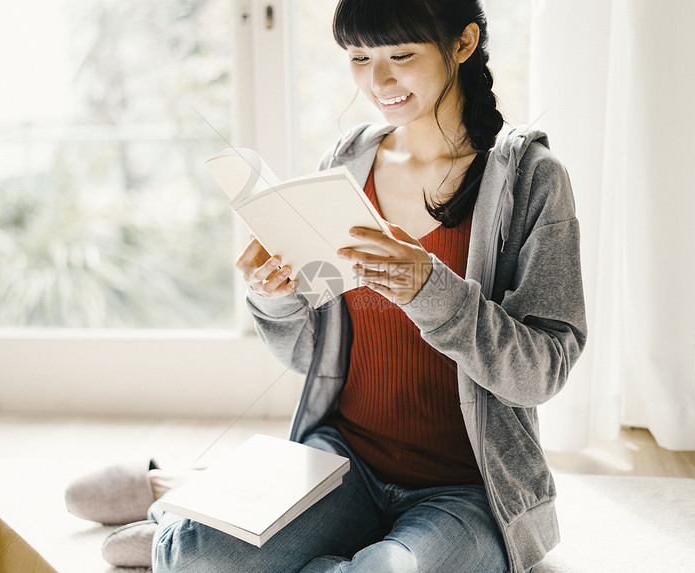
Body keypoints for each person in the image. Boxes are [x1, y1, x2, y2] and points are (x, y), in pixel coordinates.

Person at [68, 0, 586, 571]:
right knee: (201, 559)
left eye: (402, 55)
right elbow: (309, 355)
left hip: (467, 489)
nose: (378, 79)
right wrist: (276, 297)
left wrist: (431, 293)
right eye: (360, 57)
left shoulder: (532, 180)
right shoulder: (347, 165)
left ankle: (192, 498)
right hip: (343, 462)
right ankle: (191, 511)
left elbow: (544, 370)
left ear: (463, 44)